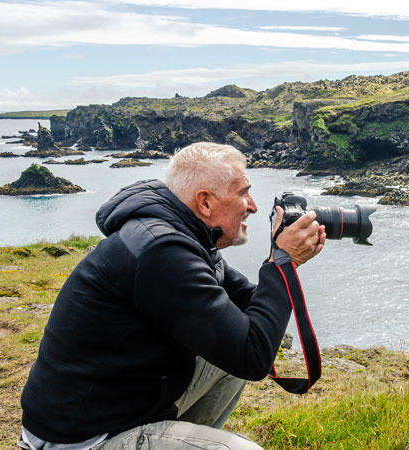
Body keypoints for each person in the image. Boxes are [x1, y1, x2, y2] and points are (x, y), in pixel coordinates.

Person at [18, 142, 326, 449]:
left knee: (230, 352)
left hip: (123, 407)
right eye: (243, 192)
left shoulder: (185, 235)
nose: (253, 206)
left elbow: (247, 309)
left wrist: (283, 261)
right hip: (82, 439)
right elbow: (253, 356)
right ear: (204, 202)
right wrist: (282, 260)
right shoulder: (161, 251)